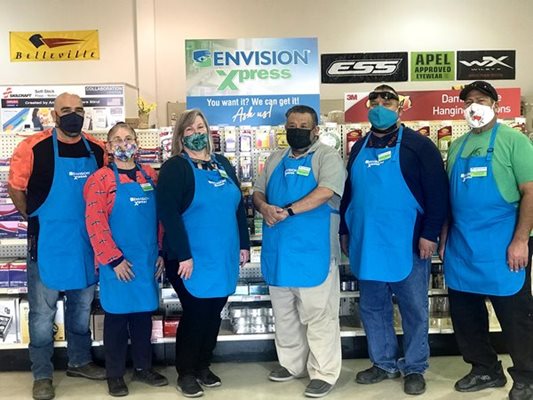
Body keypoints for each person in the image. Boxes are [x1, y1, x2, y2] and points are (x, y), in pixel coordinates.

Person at [339, 85, 448, 395]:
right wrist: (344, 231)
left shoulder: (419, 146)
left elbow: (438, 195)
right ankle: (383, 363)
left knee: (414, 309)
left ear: (400, 107)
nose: (380, 104)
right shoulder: (359, 147)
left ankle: (415, 366)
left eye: (387, 100)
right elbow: (350, 194)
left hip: (409, 244)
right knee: (373, 308)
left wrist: (429, 234)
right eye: (374, 100)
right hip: (367, 243)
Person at [8, 93, 107, 400]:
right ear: (53, 115)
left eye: (78, 110)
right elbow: (15, 187)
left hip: (86, 245)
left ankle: (80, 361)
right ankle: (42, 374)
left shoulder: (97, 149)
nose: (73, 115)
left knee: (80, 309)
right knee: (41, 314)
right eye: (66, 111)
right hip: (48, 243)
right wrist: (33, 217)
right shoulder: (32, 147)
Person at [439, 81, 533, 400]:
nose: (473, 106)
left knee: (515, 315)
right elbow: (452, 198)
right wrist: (446, 235)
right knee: (466, 314)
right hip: (463, 244)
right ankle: (484, 369)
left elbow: (530, 191)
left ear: (495, 104)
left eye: (480, 100)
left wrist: (521, 240)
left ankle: (526, 377)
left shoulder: (514, 141)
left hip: (503, 243)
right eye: (467, 102)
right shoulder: (457, 145)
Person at [253, 105, 345, 398]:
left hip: (312, 251)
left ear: (316, 130)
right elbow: (258, 190)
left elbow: (326, 191)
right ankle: (291, 364)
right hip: (279, 252)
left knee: (319, 316)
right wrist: (264, 206)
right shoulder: (276, 158)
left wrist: (289, 211)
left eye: (303, 125)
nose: (296, 129)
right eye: (292, 124)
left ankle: (323, 373)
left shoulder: (326, 157)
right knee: (285, 314)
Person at [156, 109, 250, 398]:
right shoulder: (176, 167)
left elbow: (238, 207)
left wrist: (244, 244)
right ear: (181, 136)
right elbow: (168, 214)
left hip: (222, 256)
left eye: (200, 127)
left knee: (213, 314)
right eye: (189, 130)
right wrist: (184, 255)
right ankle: (186, 372)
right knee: (196, 313)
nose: (196, 133)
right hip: (189, 259)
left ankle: (203, 366)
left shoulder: (223, 164)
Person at [84, 123, 168, 396]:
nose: (123, 144)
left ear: (138, 144)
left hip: (146, 260)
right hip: (116, 263)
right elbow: (95, 223)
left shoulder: (150, 176)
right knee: (117, 319)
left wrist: (161, 252)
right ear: (108, 147)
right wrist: (114, 259)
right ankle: (115, 374)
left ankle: (143, 368)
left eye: (129, 139)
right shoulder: (101, 179)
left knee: (144, 316)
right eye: (117, 140)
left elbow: (160, 220)